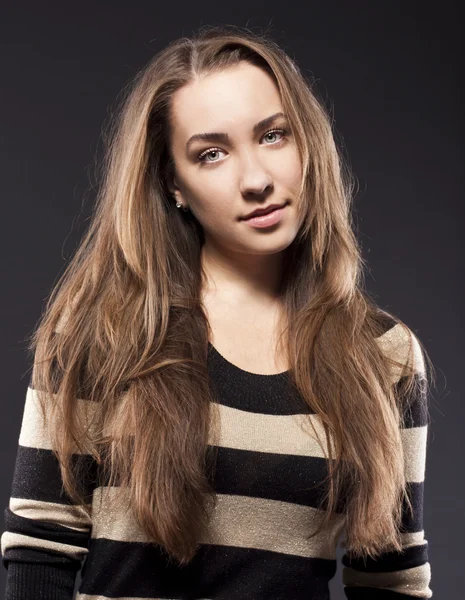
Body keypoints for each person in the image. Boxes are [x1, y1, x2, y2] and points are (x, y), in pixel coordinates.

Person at [1, 24, 434, 600]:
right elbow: (39, 550)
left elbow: (391, 578)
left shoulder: (383, 355)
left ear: (308, 143)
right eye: (211, 154)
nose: (256, 179)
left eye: (273, 136)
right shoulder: (102, 331)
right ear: (172, 183)